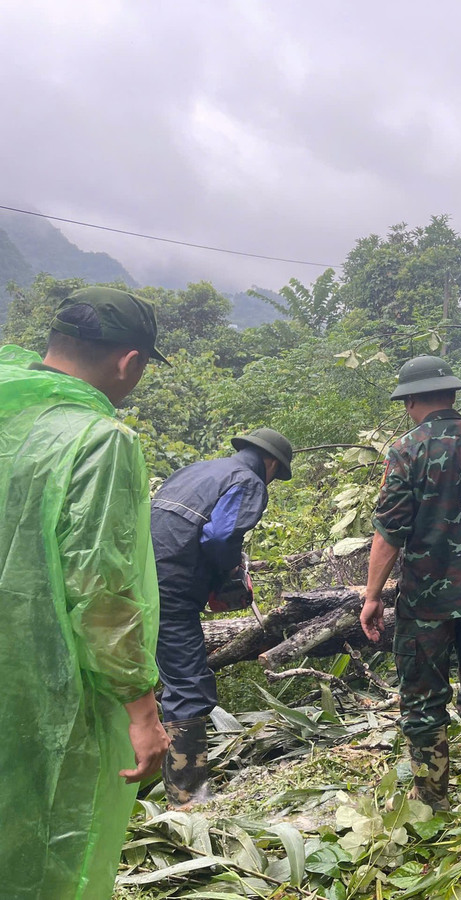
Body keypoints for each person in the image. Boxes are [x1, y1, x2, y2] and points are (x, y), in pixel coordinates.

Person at [0, 287, 171, 899]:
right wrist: (142, 712)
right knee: (50, 834)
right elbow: (101, 590)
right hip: (46, 682)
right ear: (129, 362)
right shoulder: (98, 440)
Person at [359, 356, 461, 810]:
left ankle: (431, 801)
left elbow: (389, 533)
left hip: (425, 602)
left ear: (410, 400)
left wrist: (372, 597)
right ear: (451, 393)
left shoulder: (407, 449)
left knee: (423, 699)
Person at [151, 427, 293, 807]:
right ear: (272, 464)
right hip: (173, 588)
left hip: (136, 578)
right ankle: (188, 800)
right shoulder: (249, 481)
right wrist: (229, 574)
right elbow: (218, 538)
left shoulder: (195, 471)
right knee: (189, 688)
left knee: (137, 678)